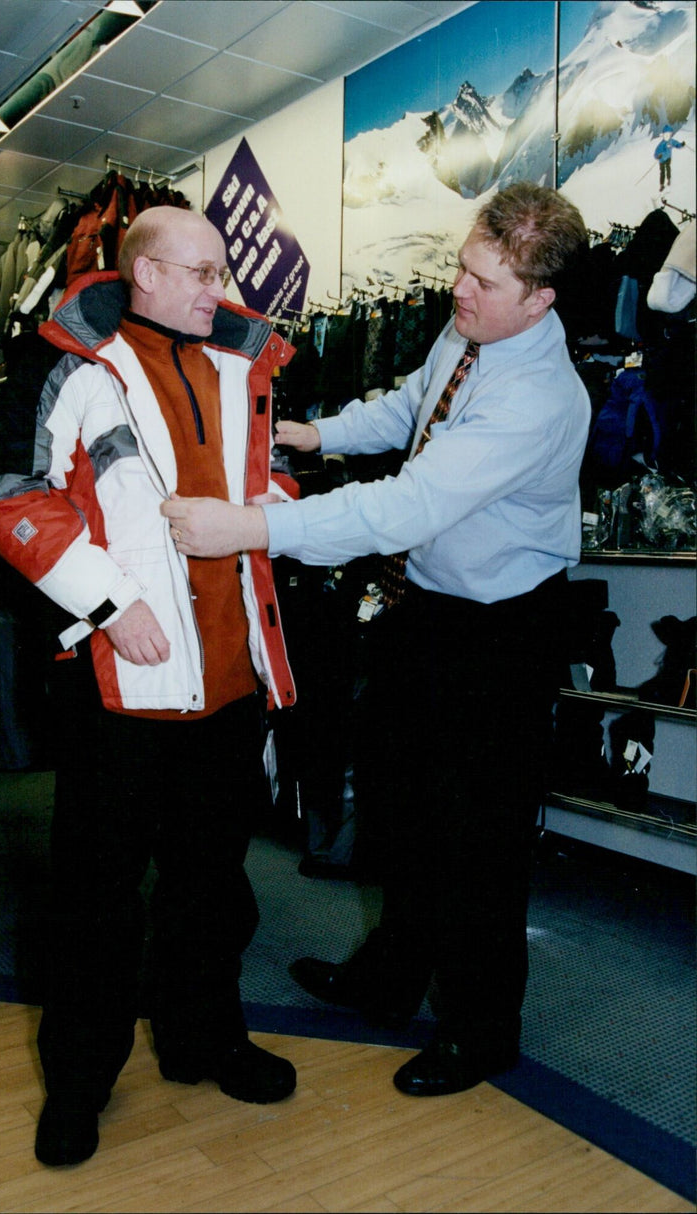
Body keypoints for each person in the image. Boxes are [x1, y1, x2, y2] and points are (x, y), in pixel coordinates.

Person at [162, 182, 591, 1098]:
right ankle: (389, 981)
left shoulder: (543, 399)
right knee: (400, 803)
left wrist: (252, 526)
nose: (460, 293)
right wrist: (314, 434)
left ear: (541, 299)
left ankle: (484, 1031)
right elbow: (410, 408)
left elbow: (410, 502)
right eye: (462, 270)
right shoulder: (473, 328)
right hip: (430, 606)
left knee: (481, 837)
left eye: (484, 282)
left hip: (504, 628)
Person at [0, 206, 298, 1168]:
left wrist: (259, 515)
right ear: (145, 272)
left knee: (213, 883)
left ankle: (205, 1039)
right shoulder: (65, 361)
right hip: (120, 685)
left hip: (231, 679)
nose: (221, 289)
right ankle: (80, 1081)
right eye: (201, 272)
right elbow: (6, 495)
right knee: (96, 898)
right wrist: (111, 601)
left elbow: (272, 477)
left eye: (223, 270)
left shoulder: (245, 365)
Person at [653, 124, 685, 192]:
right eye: (666, 134)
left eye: (669, 134)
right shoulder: (661, 144)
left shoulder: (671, 141)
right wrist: (658, 156)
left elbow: (676, 144)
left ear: (671, 134)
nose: (667, 136)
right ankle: (662, 185)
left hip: (668, 158)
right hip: (662, 160)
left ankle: (669, 179)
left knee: (668, 168)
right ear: (664, 135)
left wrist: (681, 144)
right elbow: (656, 153)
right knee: (662, 172)